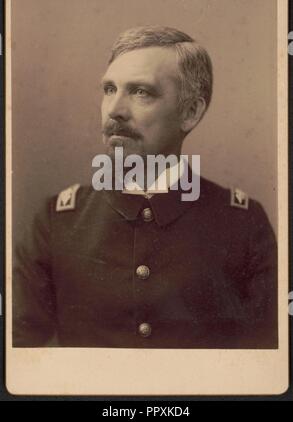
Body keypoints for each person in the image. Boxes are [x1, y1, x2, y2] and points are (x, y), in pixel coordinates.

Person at [13, 26, 278, 348]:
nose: (115, 110)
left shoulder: (243, 224)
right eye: (109, 89)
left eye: (141, 92)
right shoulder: (56, 221)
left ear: (190, 112)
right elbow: (15, 359)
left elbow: (267, 367)